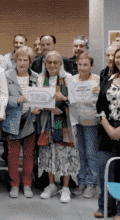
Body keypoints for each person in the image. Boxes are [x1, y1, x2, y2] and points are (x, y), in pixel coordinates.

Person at [38, 50, 79, 203]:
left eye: (56, 62)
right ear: (45, 64)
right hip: (47, 121)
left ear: (61, 64)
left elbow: (75, 99)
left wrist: (65, 97)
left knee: (64, 152)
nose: (53, 65)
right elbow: (38, 99)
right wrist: (38, 106)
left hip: (62, 121)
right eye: (49, 62)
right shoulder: (41, 80)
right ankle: (51, 185)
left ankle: (65, 187)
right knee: (49, 151)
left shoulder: (68, 79)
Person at [2, 46, 41, 198]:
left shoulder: (36, 77)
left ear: (30, 62)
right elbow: (1, 96)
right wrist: (15, 100)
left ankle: (27, 184)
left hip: (30, 121)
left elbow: (41, 96)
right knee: (12, 156)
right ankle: (14, 185)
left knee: (29, 155)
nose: (22, 62)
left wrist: (38, 108)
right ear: (15, 61)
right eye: (20, 59)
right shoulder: (6, 76)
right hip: (12, 121)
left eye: (26, 60)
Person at [68, 53, 100, 198]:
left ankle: (91, 183)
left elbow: (104, 100)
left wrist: (100, 93)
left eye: (85, 65)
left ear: (91, 66)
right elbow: (65, 95)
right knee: (79, 153)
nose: (82, 67)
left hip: (91, 121)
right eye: (80, 64)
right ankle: (81, 181)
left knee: (91, 153)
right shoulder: (71, 80)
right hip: (76, 120)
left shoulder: (97, 81)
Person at [94, 47, 120, 219]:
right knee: (106, 170)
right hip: (106, 130)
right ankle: (106, 207)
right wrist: (108, 127)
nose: (118, 60)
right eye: (117, 57)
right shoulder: (108, 78)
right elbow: (100, 105)